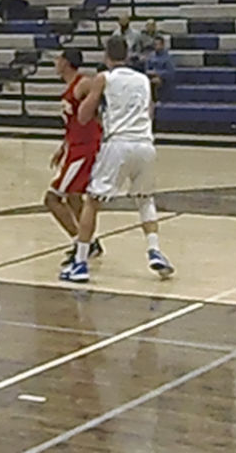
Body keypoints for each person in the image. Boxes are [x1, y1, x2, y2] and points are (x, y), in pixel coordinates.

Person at [60, 36, 173, 284]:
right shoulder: (143, 79)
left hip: (118, 143)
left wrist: (98, 108)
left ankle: (80, 262)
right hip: (145, 142)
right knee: (145, 199)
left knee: (92, 201)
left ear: (106, 56)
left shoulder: (104, 78)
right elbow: (150, 110)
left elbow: (83, 115)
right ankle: (154, 250)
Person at [43, 48, 103, 265]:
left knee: (52, 198)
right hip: (75, 147)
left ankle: (80, 242)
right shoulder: (70, 87)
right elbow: (73, 124)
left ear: (67, 63)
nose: (55, 63)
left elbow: (99, 102)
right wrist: (63, 147)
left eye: (58, 59)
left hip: (85, 149)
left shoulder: (83, 83)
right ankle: (90, 242)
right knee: (74, 196)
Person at [144, 34, 177, 100]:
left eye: (157, 44)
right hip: (151, 77)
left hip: (163, 80)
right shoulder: (151, 56)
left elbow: (170, 72)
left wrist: (157, 73)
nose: (155, 46)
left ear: (162, 45)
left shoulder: (168, 58)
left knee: (156, 82)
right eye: (154, 44)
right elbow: (147, 68)